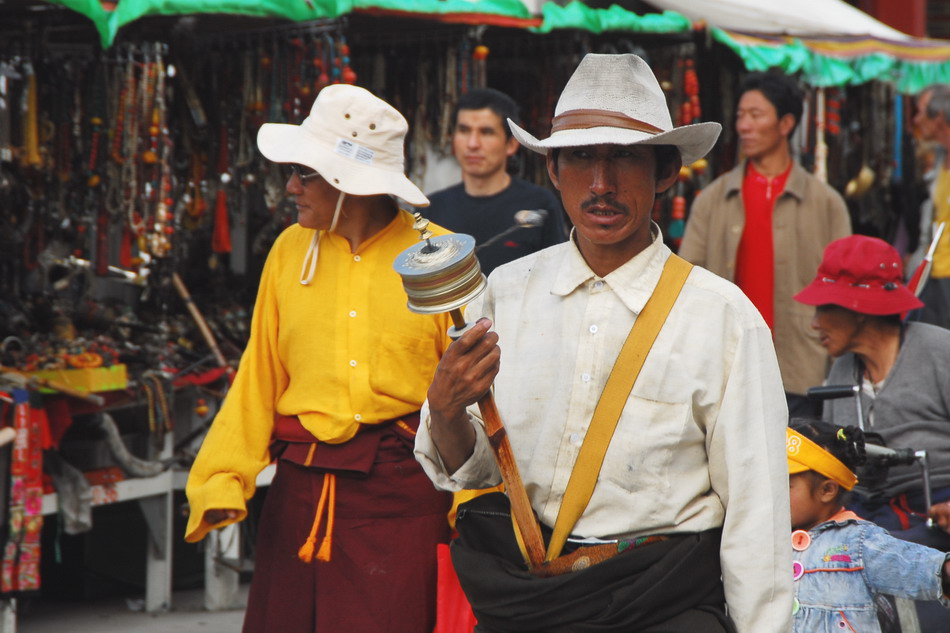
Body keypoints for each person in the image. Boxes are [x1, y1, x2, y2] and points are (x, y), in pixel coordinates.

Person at [414, 53, 792, 633]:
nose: (601, 185)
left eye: (624, 159)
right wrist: (443, 410)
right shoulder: (506, 295)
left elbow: (757, 512)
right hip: (528, 601)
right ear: (554, 172)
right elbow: (475, 473)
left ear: (665, 172)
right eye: (583, 158)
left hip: (662, 602)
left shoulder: (723, 318)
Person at [184, 85, 453, 632]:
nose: (290, 187)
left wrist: (474, 504)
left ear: (348, 183)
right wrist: (222, 477)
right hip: (298, 495)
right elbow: (258, 374)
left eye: (304, 173)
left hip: (402, 496)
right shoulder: (287, 251)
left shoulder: (437, 257)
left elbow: (477, 399)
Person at [794, 234, 950, 630]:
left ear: (857, 308)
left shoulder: (938, 353)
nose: (814, 324)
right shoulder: (842, 372)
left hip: (937, 513)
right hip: (867, 515)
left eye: (824, 308)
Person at [679, 71, 851, 418]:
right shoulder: (713, 200)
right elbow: (685, 285)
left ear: (786, 123)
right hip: (726, 369)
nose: (744, 125)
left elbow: (844, 293)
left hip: (801, 370)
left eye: (756, 115)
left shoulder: (826, 203)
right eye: (740, 115)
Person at [786, 419, 950, 633]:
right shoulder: (763, 540)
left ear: (827, 490)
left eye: (785, 485)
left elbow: (926, 569)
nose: (769, 495)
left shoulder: (859, 542)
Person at [422, 88, 566, 276]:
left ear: (511, 144)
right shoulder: (431, 209)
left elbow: (556, 276)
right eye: (464, 130)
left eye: (486, 132)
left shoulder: (540, 205)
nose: (473, 144)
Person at [909, 83, 950, 329]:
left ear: (940, 116)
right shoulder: (939, 161)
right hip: (936, 274)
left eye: (922, 111)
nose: (916, 119)